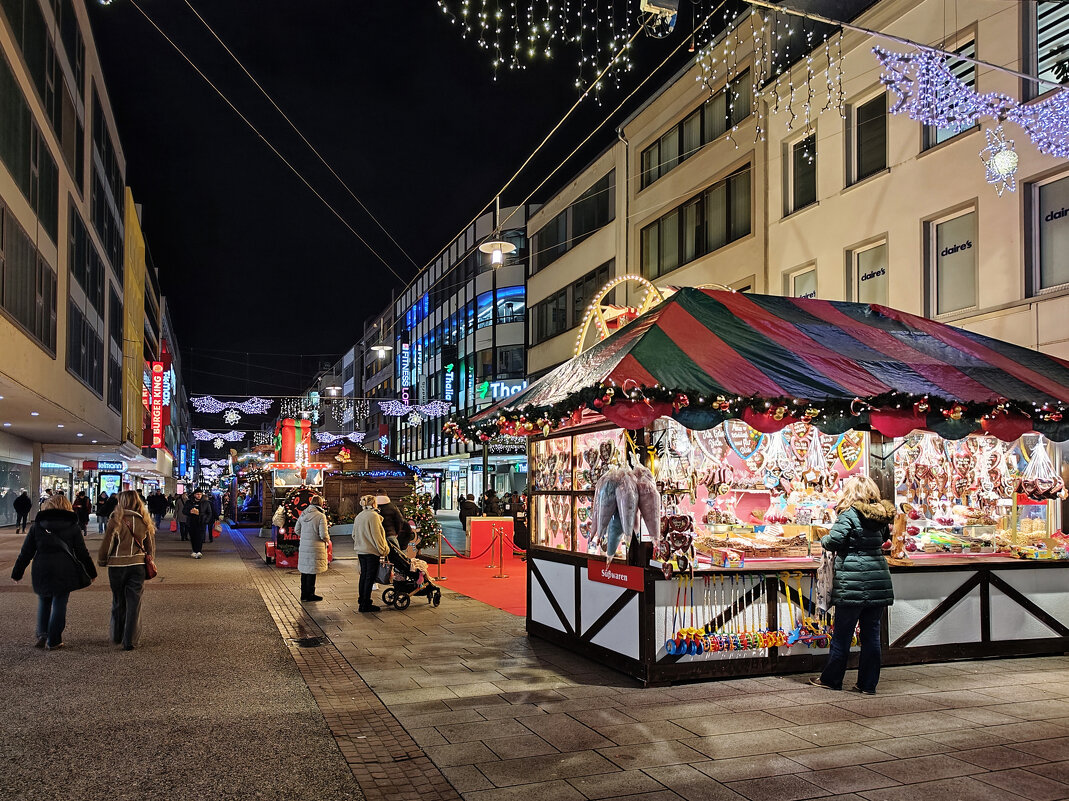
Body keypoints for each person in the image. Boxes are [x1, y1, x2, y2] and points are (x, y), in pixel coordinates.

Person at [809, 476, 895, 695]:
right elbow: (884, 539)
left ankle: (832, 679)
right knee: (872, 635)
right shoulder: (881, 516)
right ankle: (868, 684)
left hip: (852, 581)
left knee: (843, 634)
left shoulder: (848, 514)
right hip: (878, 579)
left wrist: (823, 538)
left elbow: (834, 541)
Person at [11, 494, 97, 650]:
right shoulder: (72, 526)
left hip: (41, 568)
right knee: (59, 602)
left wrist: (17, 572)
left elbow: (26, 552)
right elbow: (82, 553)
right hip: (64, 569)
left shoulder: (38, 526)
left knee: (44, 601)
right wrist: (92, 572)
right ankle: (54, 639)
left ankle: (42, 634)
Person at [98, 490, 155, 651]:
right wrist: (150, 560)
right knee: (134, 603)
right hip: (137, 565)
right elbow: (150, 547)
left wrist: (102, 560)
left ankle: (117, 634)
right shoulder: (144, 520)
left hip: (116, 566)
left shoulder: (116, 519)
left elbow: (108, 543)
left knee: (118, 600)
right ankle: (129, 640)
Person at [353, 495, 388, 613]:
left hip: (361, 550)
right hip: (371, 551)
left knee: (363, 575)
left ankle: (362, 599)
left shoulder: (359, 516)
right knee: (369, 577)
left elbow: (354, 534)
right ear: (374, 504)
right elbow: (377, 536)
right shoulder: (373, 516)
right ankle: (365, 603)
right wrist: (383, 549)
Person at [295, 494, 330, 602]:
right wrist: (327, 540)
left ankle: (303, 594)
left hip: (304, 546)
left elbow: (297, 530)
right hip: (315, 547)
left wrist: (305, 535)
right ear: (320, 503)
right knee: (312, 571)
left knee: (305, 571)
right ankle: (310, 594)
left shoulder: (303, 514)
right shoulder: (320, 516)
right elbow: (323, 535)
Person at [185, 487, 214, 558]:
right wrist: (190, 512)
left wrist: (205, 521)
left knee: (200, 537)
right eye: (197, 494)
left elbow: (209, 513)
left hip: (201, 522)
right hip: (191, 522)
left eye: (200, 494)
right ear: (194, 494)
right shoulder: (189, 502)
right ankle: (194, 550)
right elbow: (184, 511)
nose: (199, 495)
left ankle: (199, 551)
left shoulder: (206, 502)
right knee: (193, 537)